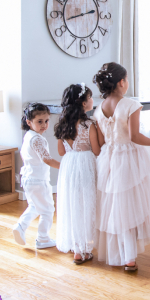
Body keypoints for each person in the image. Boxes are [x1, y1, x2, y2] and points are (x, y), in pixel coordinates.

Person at [92, 62, 150, 272]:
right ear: (121, 82)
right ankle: (129, 258)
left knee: (114, 206)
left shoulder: (99, 109)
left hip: (107, 157)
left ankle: (118, 253)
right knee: (128, 206)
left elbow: (100, 143)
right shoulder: (130, 104)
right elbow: (134, 136)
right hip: (127, 158)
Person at [54, 83, 100, 264]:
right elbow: (96, 150)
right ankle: (84, 249)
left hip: (69, 166)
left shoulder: (62, 125)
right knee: (86, 204)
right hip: (86, 165)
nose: (92, 100)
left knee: (72, 205)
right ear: (83, 103)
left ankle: (77, 250)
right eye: (89, 98)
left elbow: (61, 152)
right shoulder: (89, 124)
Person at [13, 103, 60, 249]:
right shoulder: (37, 139)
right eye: (39, 121)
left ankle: (20, 226)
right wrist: (64, 166)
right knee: (47, 210)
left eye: (46, 121)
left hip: (28, 178)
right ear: (29, 122)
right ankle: (43, 238)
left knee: (34, 206)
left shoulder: (29, 135)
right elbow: (46, 159)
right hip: (38, 181)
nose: (44, 125)